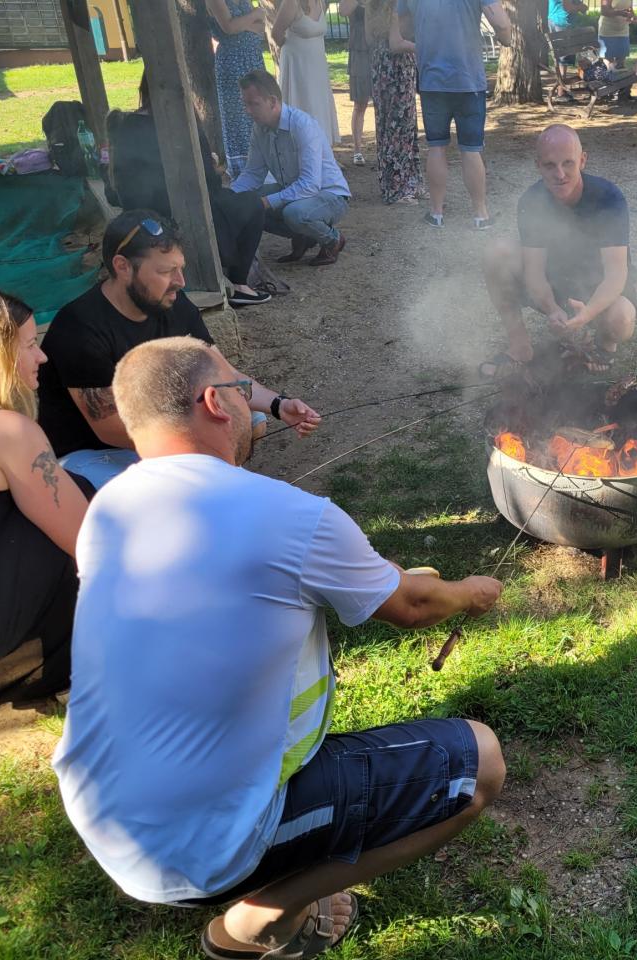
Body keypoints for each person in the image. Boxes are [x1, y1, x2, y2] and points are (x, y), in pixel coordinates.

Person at [52, 336, 506, 959]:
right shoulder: (294, 516)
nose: (250, 403)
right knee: (481, 763)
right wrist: (472, 592)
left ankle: (281, 855)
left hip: (103, 812)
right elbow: (415, 606)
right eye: (242, 390)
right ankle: (257, 922)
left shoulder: (109, 507)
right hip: (197, 847)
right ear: (215, 402)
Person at [37, 211, 321, 490]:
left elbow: (223, 374)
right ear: (122, 267)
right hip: (93, 450)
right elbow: (112, 429)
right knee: (185, 472)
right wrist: (202, 440)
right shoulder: (79, 328)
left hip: (160, 422)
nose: (180, 281)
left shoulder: (173, 303)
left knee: (249, 420)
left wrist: (278, 404)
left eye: (180, 268)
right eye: (165, 271)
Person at [0, 288, 90, 708]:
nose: (41, 356)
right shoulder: (5, 430)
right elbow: (88, 540)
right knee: (75, 493)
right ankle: (58, 665)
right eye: (29, 345)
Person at [482, 124, 637, 377]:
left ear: (582, 160)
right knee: (497, 253)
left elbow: (616, 274)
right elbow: (534, 272)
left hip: (598, 288)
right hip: (555, 284)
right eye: (550, 165)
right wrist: (552, 309)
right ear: (538, 165)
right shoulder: (532, 201)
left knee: (621, 319)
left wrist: (586, 315)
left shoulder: (608, 198)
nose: (560, 174)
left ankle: (605, 346)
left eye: (568, 163)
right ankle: (520, 346)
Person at [107, 75, 270, 307]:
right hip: (182, 211)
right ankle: (239, 283)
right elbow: (206, 183)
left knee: (230, 200)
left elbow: (121, 181)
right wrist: (214, 167)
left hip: (139, 215)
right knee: (251, 204)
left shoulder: (127, 124)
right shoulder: (182, 123)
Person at [399, 0, 512, 229]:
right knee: (471, 149)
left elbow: (403, 27)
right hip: (468, 80)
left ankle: (436, 213)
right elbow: (501, 23)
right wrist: (506, 39)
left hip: (432, 81)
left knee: (436, 146)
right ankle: (480, 215)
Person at [231, 69, 351, 266]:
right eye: (246, 104)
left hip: (330, 194)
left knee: (293, 213)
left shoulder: (302, 125)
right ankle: (303, 236)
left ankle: (333, 240)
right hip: (295, 191)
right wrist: (230, 197)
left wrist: (266, 202)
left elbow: (310, 184)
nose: (248, 111)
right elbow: (252, 173)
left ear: (272, 101)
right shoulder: (259, 129)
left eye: (254, 104)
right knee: (246, 203)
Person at [368, 0, 423, 204]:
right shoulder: (393, 8)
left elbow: (369, 38)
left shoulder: (372, 7)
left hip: (381, 67)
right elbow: (396, 43)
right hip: (397, 70)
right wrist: (422, 47)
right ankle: (400, 188)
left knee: (387, 128)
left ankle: (398, 184)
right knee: (401, 127)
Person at [204, 0, 266, 177]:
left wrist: (241, 24)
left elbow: (261, 27)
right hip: (232, 63)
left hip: (253, 59)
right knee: (238, 116)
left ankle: (264, 163)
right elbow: (229, 27)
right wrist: (254, 15)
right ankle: (243, 169)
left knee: (259, 110)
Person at [272, 0, 341, 146]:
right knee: (303, 103)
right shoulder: (291, 3)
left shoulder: (320, 3)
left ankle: (321, 147)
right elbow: (276, 33)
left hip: (318, 67)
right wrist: (294, 49)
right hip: (298, 67)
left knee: (318, 104)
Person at [340, 0, 373, 165]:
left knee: (385, 105)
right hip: (360, 51)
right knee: (360, 104)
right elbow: (343, 10)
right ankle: (358, 150)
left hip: (381, 47)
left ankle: (385, 147)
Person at [548, 0, 589, 103]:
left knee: (564, 59)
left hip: (562, 22)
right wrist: (579, 7)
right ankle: (561, 92)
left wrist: (580, 6)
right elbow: (568, 7)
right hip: (560, 22)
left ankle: (562, 90)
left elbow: (576, 4)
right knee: (562, 59)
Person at [597, 0, 634, 67]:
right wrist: (620, 13)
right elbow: (604, 11)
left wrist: (633, 16)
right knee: (608, 63)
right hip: (607, 31)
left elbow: (630, 8)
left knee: (620, 64)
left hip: (623, 31)